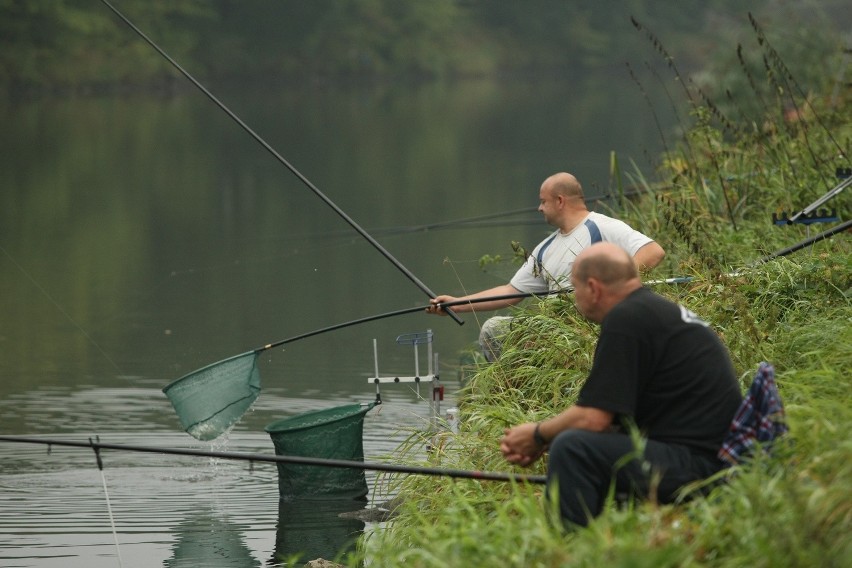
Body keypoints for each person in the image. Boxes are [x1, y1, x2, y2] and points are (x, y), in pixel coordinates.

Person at [500, 242, 743, 528]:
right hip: (713, 460)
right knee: (581, 444)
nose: (575, 297)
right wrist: (543, 442)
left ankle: (569, 551)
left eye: (574, 288)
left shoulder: (626, 320)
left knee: (572, 448)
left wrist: (539, 435)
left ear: (593, 287)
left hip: (701, 468)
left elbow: (594, 419)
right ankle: (613, 541)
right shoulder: (652, 312)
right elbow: (612, 416)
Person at [426, 172, 665, 361]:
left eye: (543, 201)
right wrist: (456, 304)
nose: (539, 208)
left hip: (590, 325)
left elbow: (653, 252)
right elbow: (511, 292)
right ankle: (517, 397)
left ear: (560, 200)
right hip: (551, 329)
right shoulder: (545, 248)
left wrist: (613, 290)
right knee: (494, 330)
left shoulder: (602, 226)